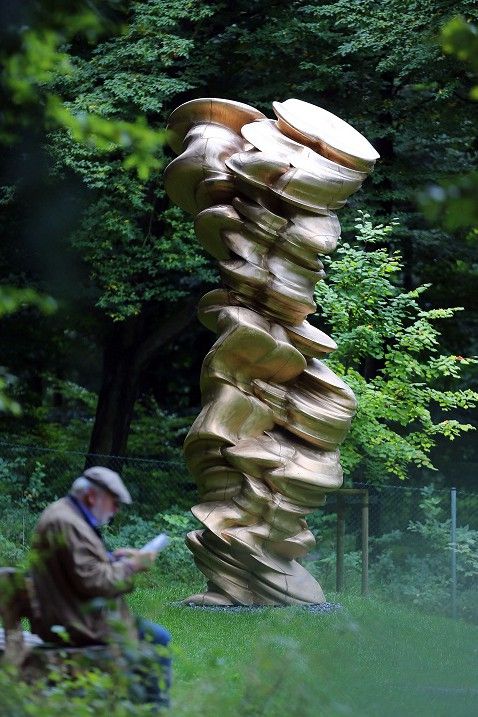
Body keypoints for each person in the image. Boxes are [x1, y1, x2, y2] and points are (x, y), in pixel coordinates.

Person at [30, 466, 171, 704]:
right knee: (158, 638)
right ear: (92, 496)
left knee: (152, 635)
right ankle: (152, 709)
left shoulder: (66, 515)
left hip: (69, 614)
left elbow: (79, 568)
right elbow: (94, 581)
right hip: (76, 623)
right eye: (114, 502)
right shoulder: (67, 523)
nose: (115, 510)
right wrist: (133, 566)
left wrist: (113, 558)